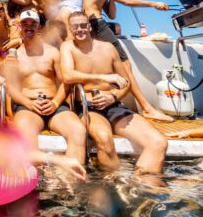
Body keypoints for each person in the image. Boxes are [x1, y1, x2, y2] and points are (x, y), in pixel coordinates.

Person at [60, 12, 167, 173]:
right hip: (87, 107)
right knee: (104, 138)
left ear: (89, 26)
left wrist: (113, 96)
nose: (80, 30)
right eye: (75, 27)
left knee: (158, 142)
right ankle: (113, 184)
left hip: (114, 105)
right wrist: (105, 77)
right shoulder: (68, 47)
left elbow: (125, 82)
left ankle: (142, 187)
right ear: (70, 29)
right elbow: (68, 76)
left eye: (83, 25)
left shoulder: (108, 48)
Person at [83, 0, 173, 122]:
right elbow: (127, 1)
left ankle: (131, 104)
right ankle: (147, 108)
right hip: (96, 23)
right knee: (125, 66)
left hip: (96, 24)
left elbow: (111, 15)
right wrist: (153, 4)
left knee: (122, 66)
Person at [3, 10, 88, 172]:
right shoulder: (14, 57)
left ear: (39, 27)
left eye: (33, 24)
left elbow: (66, 82)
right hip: (28, 106)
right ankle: (35, 184)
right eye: (25, 24)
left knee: (78, 130)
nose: (29, 27)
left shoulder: (53, 52)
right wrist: (28, 102)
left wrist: (55, 102)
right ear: (20, 27)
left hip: (55, 105)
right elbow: (12, 89)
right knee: (25, 134)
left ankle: (71, 184)